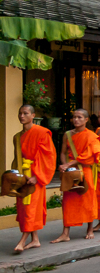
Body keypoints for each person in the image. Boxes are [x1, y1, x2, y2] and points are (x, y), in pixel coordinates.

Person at [51, 109, 100, 243]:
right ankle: (65, 233)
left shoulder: (91, 136)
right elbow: (62, 152)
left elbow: (90, 154)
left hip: (85, 171)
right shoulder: (67, 134)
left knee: (87, 200)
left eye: (79, 117)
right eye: (74, 117)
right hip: (70, 172)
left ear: (86, 120)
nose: (76, 120)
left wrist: (69, 165)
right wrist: (64, 166)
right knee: (68, 202)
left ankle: (89, 229)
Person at [12, 105, 56, 253]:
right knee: (24, 209)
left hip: (35, 175)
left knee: (31, 209)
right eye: (20, 113)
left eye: (25, 113)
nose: (22, 116)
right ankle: (35, 240)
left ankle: (22, 241)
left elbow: (48, 158)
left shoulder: (42, 133)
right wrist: (15, 177)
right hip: (22, 177)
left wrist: (37, 177)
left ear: (33, 116)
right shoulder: (17, 137)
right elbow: (16, 159)